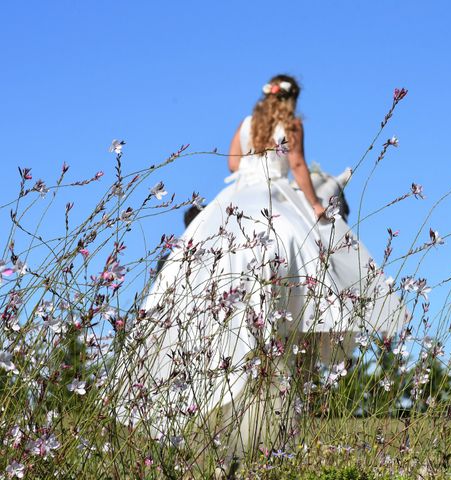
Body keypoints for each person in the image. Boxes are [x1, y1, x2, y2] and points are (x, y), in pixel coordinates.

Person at [114, 74, 406, 457]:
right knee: (319, 251)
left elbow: (234, 161)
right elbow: (298, 166)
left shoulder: (246, 124)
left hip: (235, 197)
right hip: (276, 197)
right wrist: (316, 206)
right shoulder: (293, 124)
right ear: (293, 100)